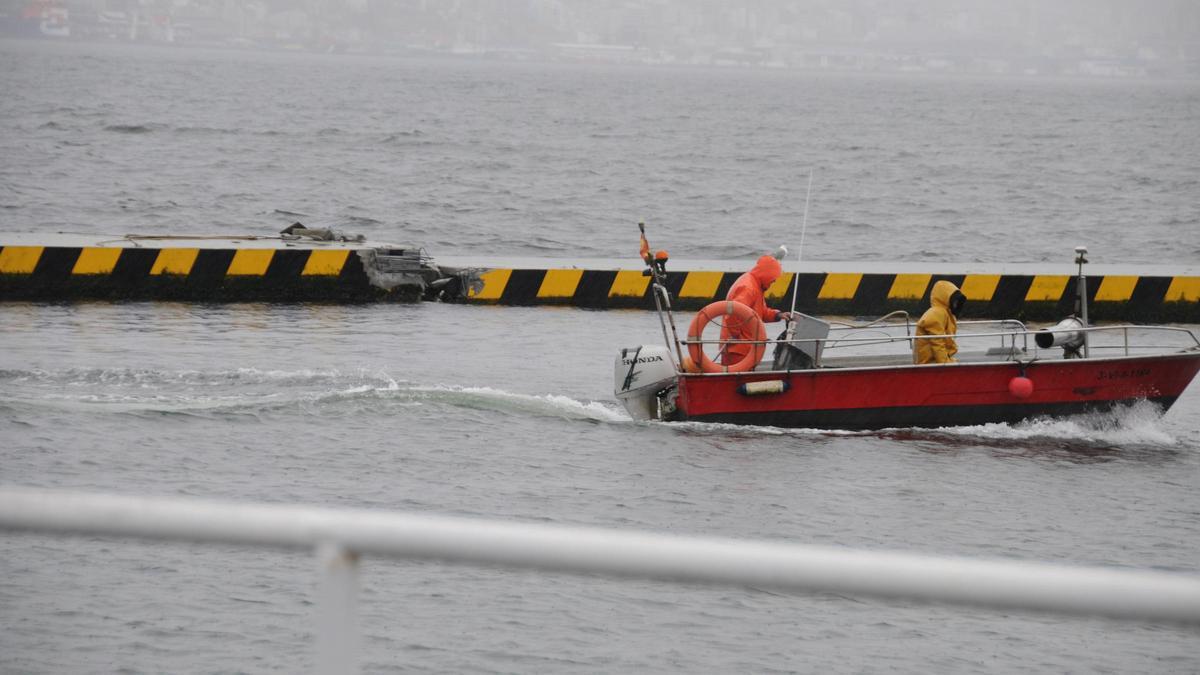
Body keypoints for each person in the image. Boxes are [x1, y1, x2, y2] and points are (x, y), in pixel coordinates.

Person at [720, 254, 794, 367]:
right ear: (767, 274)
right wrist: (736, 337)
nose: (773, 282)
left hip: (745, 347)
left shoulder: (755, 285)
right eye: (773, 279)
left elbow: (760, 312)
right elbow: (733, 313)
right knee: (736, 381)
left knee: (742, 381)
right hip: (738, 349)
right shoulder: (748, 287)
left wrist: (778, 315)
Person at [914, 280, 966, 364]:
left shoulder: (945, 312)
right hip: (929, 362)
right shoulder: (937, 313)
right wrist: (945, 363)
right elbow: (937, 342)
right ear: (946, 298)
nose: (956, 304)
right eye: (954, 300)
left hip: (933, 360)